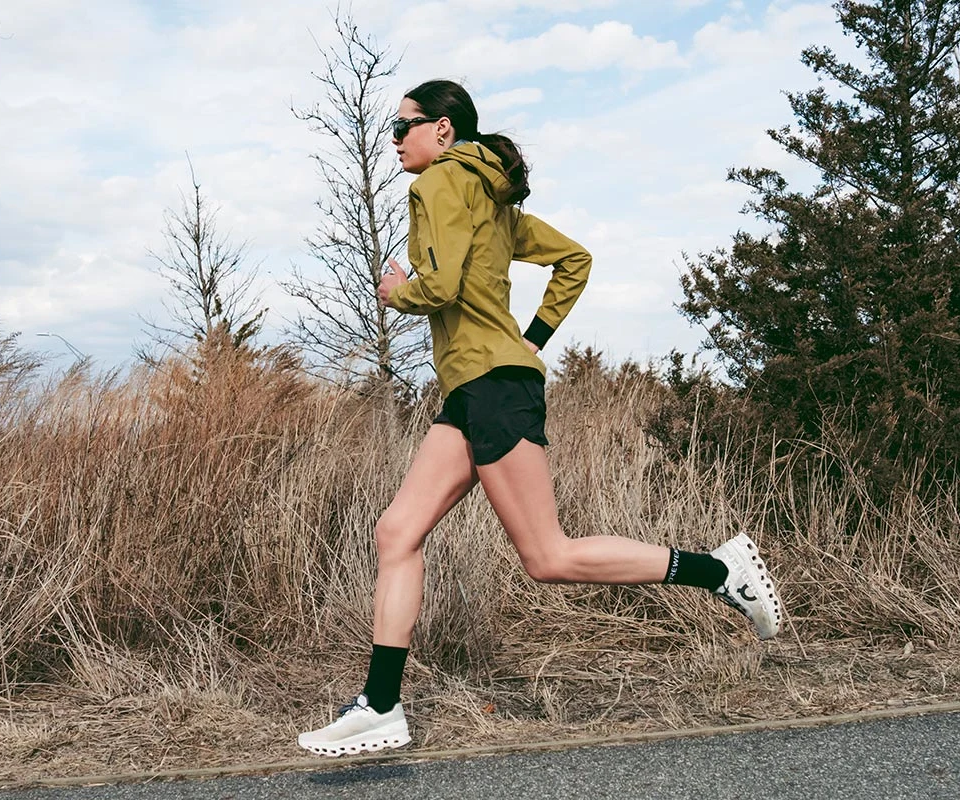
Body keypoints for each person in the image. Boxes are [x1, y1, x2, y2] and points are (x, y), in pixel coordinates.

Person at [296, 79, 781, 758]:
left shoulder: (438, 183)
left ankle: (719, 571)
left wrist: (398, 292)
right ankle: (380, 705)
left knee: (548, 557)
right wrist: (532, 339)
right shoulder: (493, 198)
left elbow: (443, 286)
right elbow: (574, 260)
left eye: (402, 126)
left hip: (492, 386)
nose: (395, 140)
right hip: (477, 385)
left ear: (442, 130)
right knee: (396, 531)